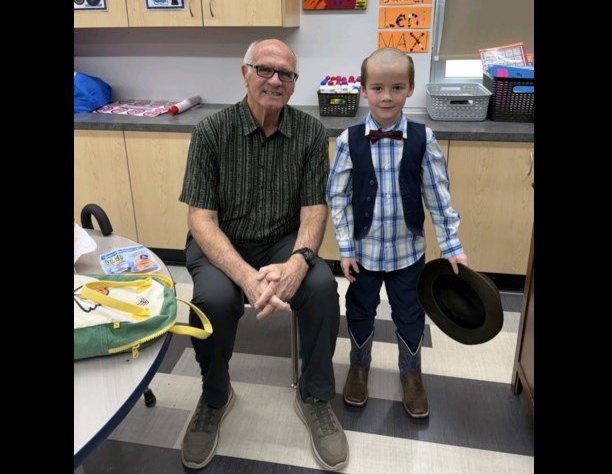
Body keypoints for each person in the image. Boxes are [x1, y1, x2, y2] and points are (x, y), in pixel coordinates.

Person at [178, 39, 348, 471]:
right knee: (213, 301)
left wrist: (298, 262)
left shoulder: (309, 133)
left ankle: (315, 396)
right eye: (265, 70)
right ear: (245, 73)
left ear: (294, 84)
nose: (275, 80)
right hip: (221, 240)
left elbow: (314, 210)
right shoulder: (211, 131)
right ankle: (215, 396)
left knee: (323, 288)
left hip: (281, 241)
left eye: (285, 74)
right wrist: (246, 277)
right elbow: (201, 219)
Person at [326, 47, 469, 419]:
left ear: (410, 89)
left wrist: (451, 246)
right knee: (359, 310)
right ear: (362, 90)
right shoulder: (348, 140)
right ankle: (359, 366)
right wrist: (344, 248)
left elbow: (438, 196)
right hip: (363, 253)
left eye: (396, 87)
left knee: (410, 313)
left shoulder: (425, 139)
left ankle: (411, 374)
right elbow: (337, 197)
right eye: (377, 88)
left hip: (409, 253)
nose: (386, 96)